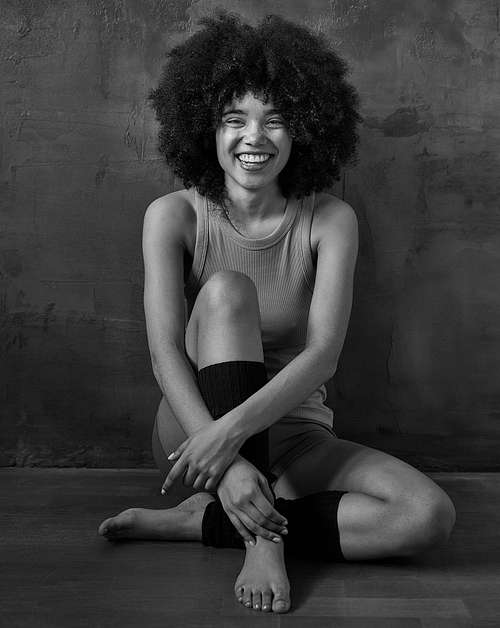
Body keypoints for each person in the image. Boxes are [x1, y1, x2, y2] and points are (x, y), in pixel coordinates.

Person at [98, 11, 456, 614]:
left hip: (295, 430)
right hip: (195, 430)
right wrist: (221, 449)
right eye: (234, 119)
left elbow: (322, 357)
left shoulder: (330, 219)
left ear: (304, 131)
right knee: (226, 291)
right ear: (205, 128)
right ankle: (260, 540)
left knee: (427, 516)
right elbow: (164, 352)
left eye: (276, 119)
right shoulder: (172, 215)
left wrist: (239, 439)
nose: (254, 137)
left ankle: (204, 522)